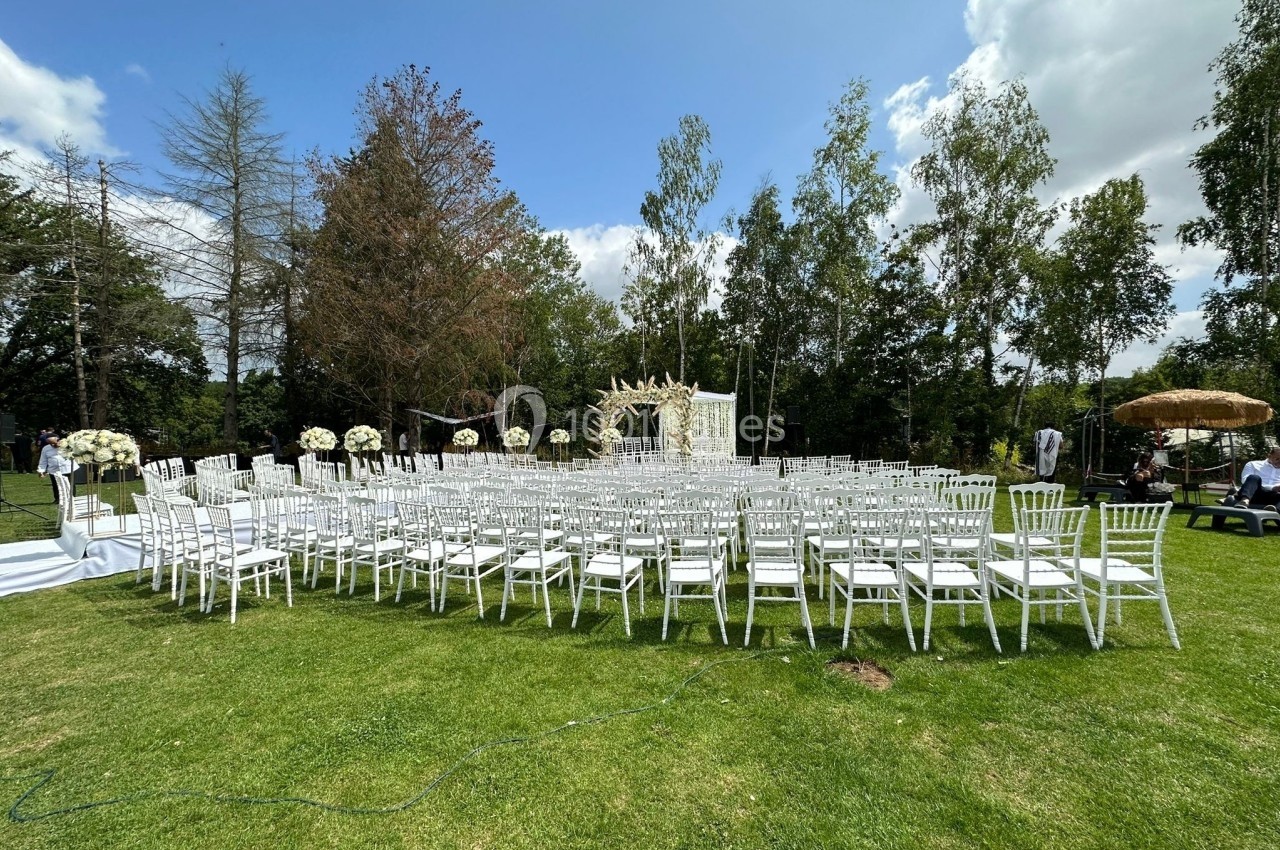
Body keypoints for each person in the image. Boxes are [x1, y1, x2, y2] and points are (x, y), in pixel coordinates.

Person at [1223, 446, 1280, 510]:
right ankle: (1244, 501)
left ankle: (1274, 510)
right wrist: (1272, 488)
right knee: (1254, 477)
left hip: (1275, 496)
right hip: (1254, 493)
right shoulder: (1253, 464)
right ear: (1269, 456)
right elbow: (1245, 481)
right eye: (1277, 459)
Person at [37, 434, 76, 504]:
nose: (53, 444)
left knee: (70, 484)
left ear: (58, 439)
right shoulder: (46, 448)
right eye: (50, 443)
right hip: (53, 470)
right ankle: (58, 499)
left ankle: (72, 498)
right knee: (56, 485)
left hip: (67, 468)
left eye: (54, 442)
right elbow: (43, 460)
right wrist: (41, 471)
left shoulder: (67, 445)